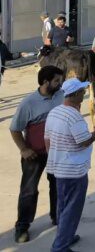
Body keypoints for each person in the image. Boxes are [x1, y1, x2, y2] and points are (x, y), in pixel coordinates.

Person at [45, 78, 95, 252]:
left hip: (59, 169)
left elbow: (47, 140)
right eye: (81, 91)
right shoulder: (74, 117)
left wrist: (54, 160)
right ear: (75, 95)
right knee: (72, 209)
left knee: (63, 206)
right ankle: (60, 247)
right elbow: (84, 142)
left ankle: (65, 236)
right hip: (74, 171)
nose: (84, 93)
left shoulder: (55, 112)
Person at [10, 66, 65, 243]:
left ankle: (57, 216)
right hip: (34, 154)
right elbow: (15, 129)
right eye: (56, 81)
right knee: (29, 191)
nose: (60, 84)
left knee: (57, 185)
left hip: (56, 152)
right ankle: (22, 226)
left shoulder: (60, 96)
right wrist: (24, 149)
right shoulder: (29, 103)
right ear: (45, 82)